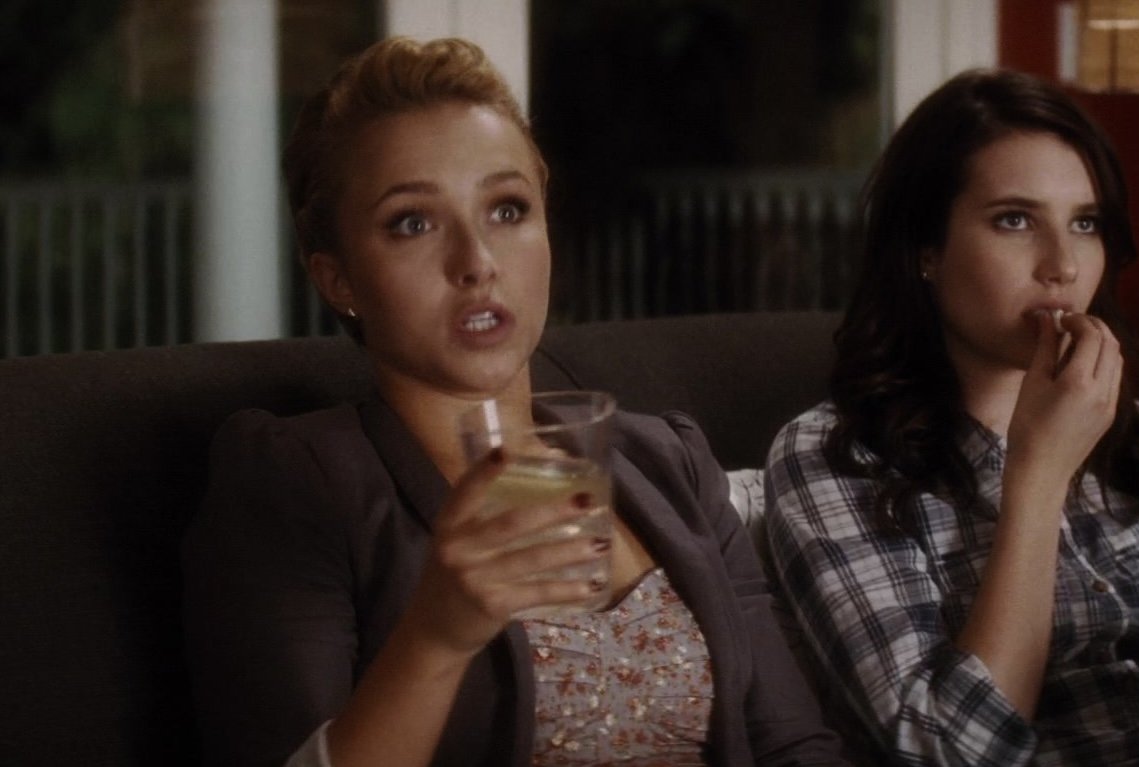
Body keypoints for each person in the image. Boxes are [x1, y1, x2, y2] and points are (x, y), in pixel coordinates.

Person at [181, 36, 846, 767]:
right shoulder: (296, 479)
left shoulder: (668, 460)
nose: (477, 263)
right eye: (412, 222)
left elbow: (791, 743)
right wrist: (436, 637)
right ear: (336, 279)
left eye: (506, 209)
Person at [763, 68, 1139, 766]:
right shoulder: (835, 456)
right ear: (926, 250)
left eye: (1084, 223)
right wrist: (1037, 473)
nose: (1063, 265)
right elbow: (947, 750)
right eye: (1014, 220)